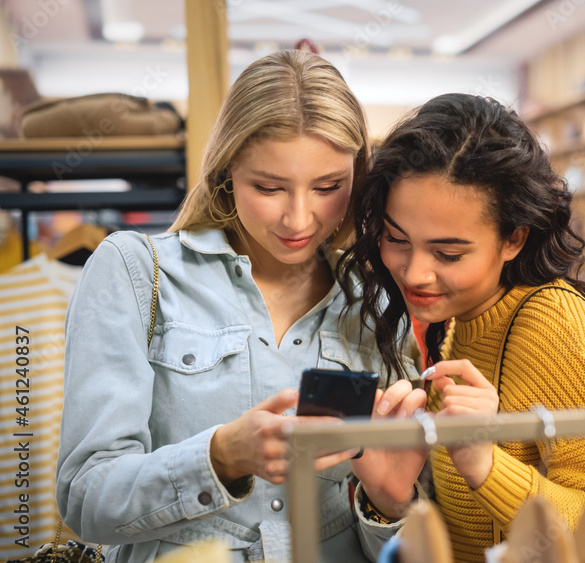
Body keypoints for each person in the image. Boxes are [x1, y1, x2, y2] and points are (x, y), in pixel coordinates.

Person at [56, 50, 427, 562]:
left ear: (358, 177)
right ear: (228, 170)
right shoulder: (135, 272)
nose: (299, 219)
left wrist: (388, 502)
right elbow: (85, 497)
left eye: (327, 188)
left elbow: (403, 538)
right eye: (268, 187)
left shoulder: (377, 298)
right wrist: (220, 455)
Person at [339, 93, 585, 563]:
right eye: (396, 239)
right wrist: (390, 497)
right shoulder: (458, 323)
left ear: (514, 237)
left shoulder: (559, 330)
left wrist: (487, 465)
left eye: (448, 254)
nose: (414, 273)